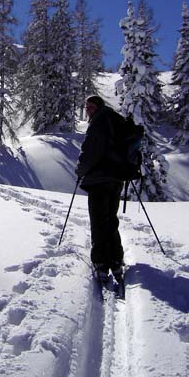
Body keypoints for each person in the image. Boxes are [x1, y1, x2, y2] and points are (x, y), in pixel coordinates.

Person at [76, 95, 124, 281]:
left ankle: (101, 263)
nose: (87, 109)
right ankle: (116, 260)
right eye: (86, 106)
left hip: (99, 180)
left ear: (98, 107)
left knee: (98, 222)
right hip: (116, 179)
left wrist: (80, 170)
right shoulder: (112, 120)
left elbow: (90, 152)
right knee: (110, 220)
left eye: (90, 106)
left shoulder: (98, 123)